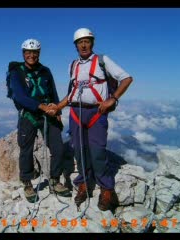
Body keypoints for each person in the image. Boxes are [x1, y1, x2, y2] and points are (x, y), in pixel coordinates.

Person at [49, 28, 133, 211]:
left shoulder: (103, 60)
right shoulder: (73, 65)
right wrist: (58, 106)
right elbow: (72, 93)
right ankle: (84, 183)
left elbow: (126, 78)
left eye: (87, 41)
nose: (84, 45)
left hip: (96, 112)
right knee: (79, 150)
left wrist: (113, 98)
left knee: (97, 151)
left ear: (92, 43)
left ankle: (106, 188)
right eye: (80, 42)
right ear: (76, 45)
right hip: (76, 113)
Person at [9, 38, 71, 203]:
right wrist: (42, 107)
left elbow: (53, 91)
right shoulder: (16, 72)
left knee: (57, 147)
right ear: (23, 54)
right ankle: (27, 183)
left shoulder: (45, 71)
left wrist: (57, 109)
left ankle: (55, 180)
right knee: (26, 150)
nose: (31, 55)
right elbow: (20, 96)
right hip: (28, 115)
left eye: (34, 52)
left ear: (39, 53)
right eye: (28, 52)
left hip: (49, 114)